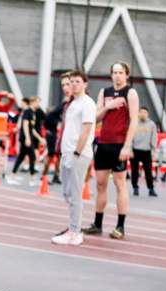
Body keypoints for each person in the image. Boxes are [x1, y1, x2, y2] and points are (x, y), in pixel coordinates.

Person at [82, 61, 139, 240]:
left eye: (121, 72)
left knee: (120, 184)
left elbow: (134, 119)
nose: (117, 76)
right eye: (114, 72)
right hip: (103, 143)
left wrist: (127, 145)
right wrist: (108, 106)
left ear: (126, 75)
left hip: (119, 144)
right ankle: (97, 224)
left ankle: (120, 227)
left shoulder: (130, 92)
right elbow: (96, 118)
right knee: (100, 184)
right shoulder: (104, 92)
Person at [52, 70, 96, 246]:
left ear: (85, 84)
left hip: (78, 154)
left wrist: (76, 153)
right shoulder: (72, 103)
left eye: (77, 81)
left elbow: (86, 130)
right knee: (67, 193)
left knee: (75, 194)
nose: (74, 84)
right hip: (66, 153)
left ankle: (75, 232)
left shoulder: (87, 103)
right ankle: (72, 228)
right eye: (72, 82)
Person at [42, 74, 73, 184]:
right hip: (52, 132)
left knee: (58, 155)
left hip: (59, 132)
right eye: (63, 85)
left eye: (67, 85)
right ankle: (44, 175)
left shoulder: (70, 102)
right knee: (52, 154)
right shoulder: (64, 103)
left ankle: (55, 175)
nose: (65, 88)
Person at [130, 107, 158, 196]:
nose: (143, 114)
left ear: (147, 114)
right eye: (141, 112)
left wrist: (153, 150)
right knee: (134, 171)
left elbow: (154, 138)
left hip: (147, 151)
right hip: (135, 150)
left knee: (148, 171)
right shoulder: (134, 123)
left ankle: (151, 189)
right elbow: (130, 137)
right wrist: (130, 149)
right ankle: (135, 187)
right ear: (138, 113)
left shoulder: (151, 124)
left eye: (145, 112)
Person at [12, 96, 39, 182]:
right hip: (25, 137)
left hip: (28, 136)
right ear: (33, 102)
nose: (38, 104)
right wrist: (27, 138)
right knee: (32, 156)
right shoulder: (28, 111)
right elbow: (25, 125)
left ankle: (13, 174)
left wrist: (40, 138)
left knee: (21, 156)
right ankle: (33, 177)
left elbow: (32, 128)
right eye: (37, 102)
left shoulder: (33, 112)